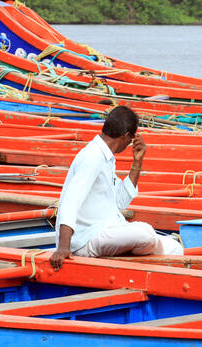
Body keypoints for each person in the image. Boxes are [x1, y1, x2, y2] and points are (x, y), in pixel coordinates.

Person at [50, 106, 183, 270]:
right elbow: (71, 200)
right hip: (85, 240)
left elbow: (119, 202)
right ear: (127, 136)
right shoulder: (92, 156)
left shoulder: (105, 158)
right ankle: (133, 250)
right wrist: (63, 247)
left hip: (107, 230)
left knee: (176, 249)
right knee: (145, 233)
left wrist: (137, 162)